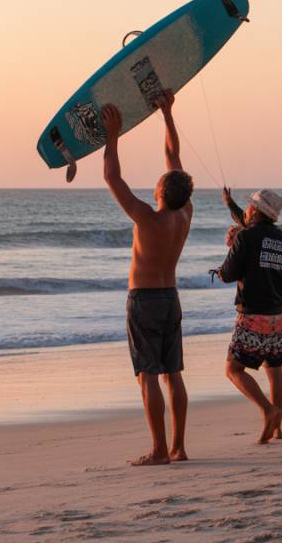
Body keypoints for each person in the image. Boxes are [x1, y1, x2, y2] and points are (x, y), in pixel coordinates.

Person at [101, 90, 194, 466]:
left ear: (160, 191)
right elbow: (174, 158)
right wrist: (167, 114)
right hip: (170, 298)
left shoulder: (146, 217)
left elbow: (111, 176)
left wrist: (113, 134)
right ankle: (179, 447)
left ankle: (158, 450)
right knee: (173, 373)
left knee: (148, 377)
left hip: (143, 301)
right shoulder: (184, 214)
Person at [214, 188, 282, 444]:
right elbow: (261, 253)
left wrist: (225, 259)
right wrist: (230, 204)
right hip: (279, 314)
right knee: (275, 369)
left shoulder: (245, 238)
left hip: (253, 316)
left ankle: (267, 410)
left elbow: (228, 274)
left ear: (257, 212)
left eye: (250, 206)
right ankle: (277, 427)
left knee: (233, 369)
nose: (246, 209)